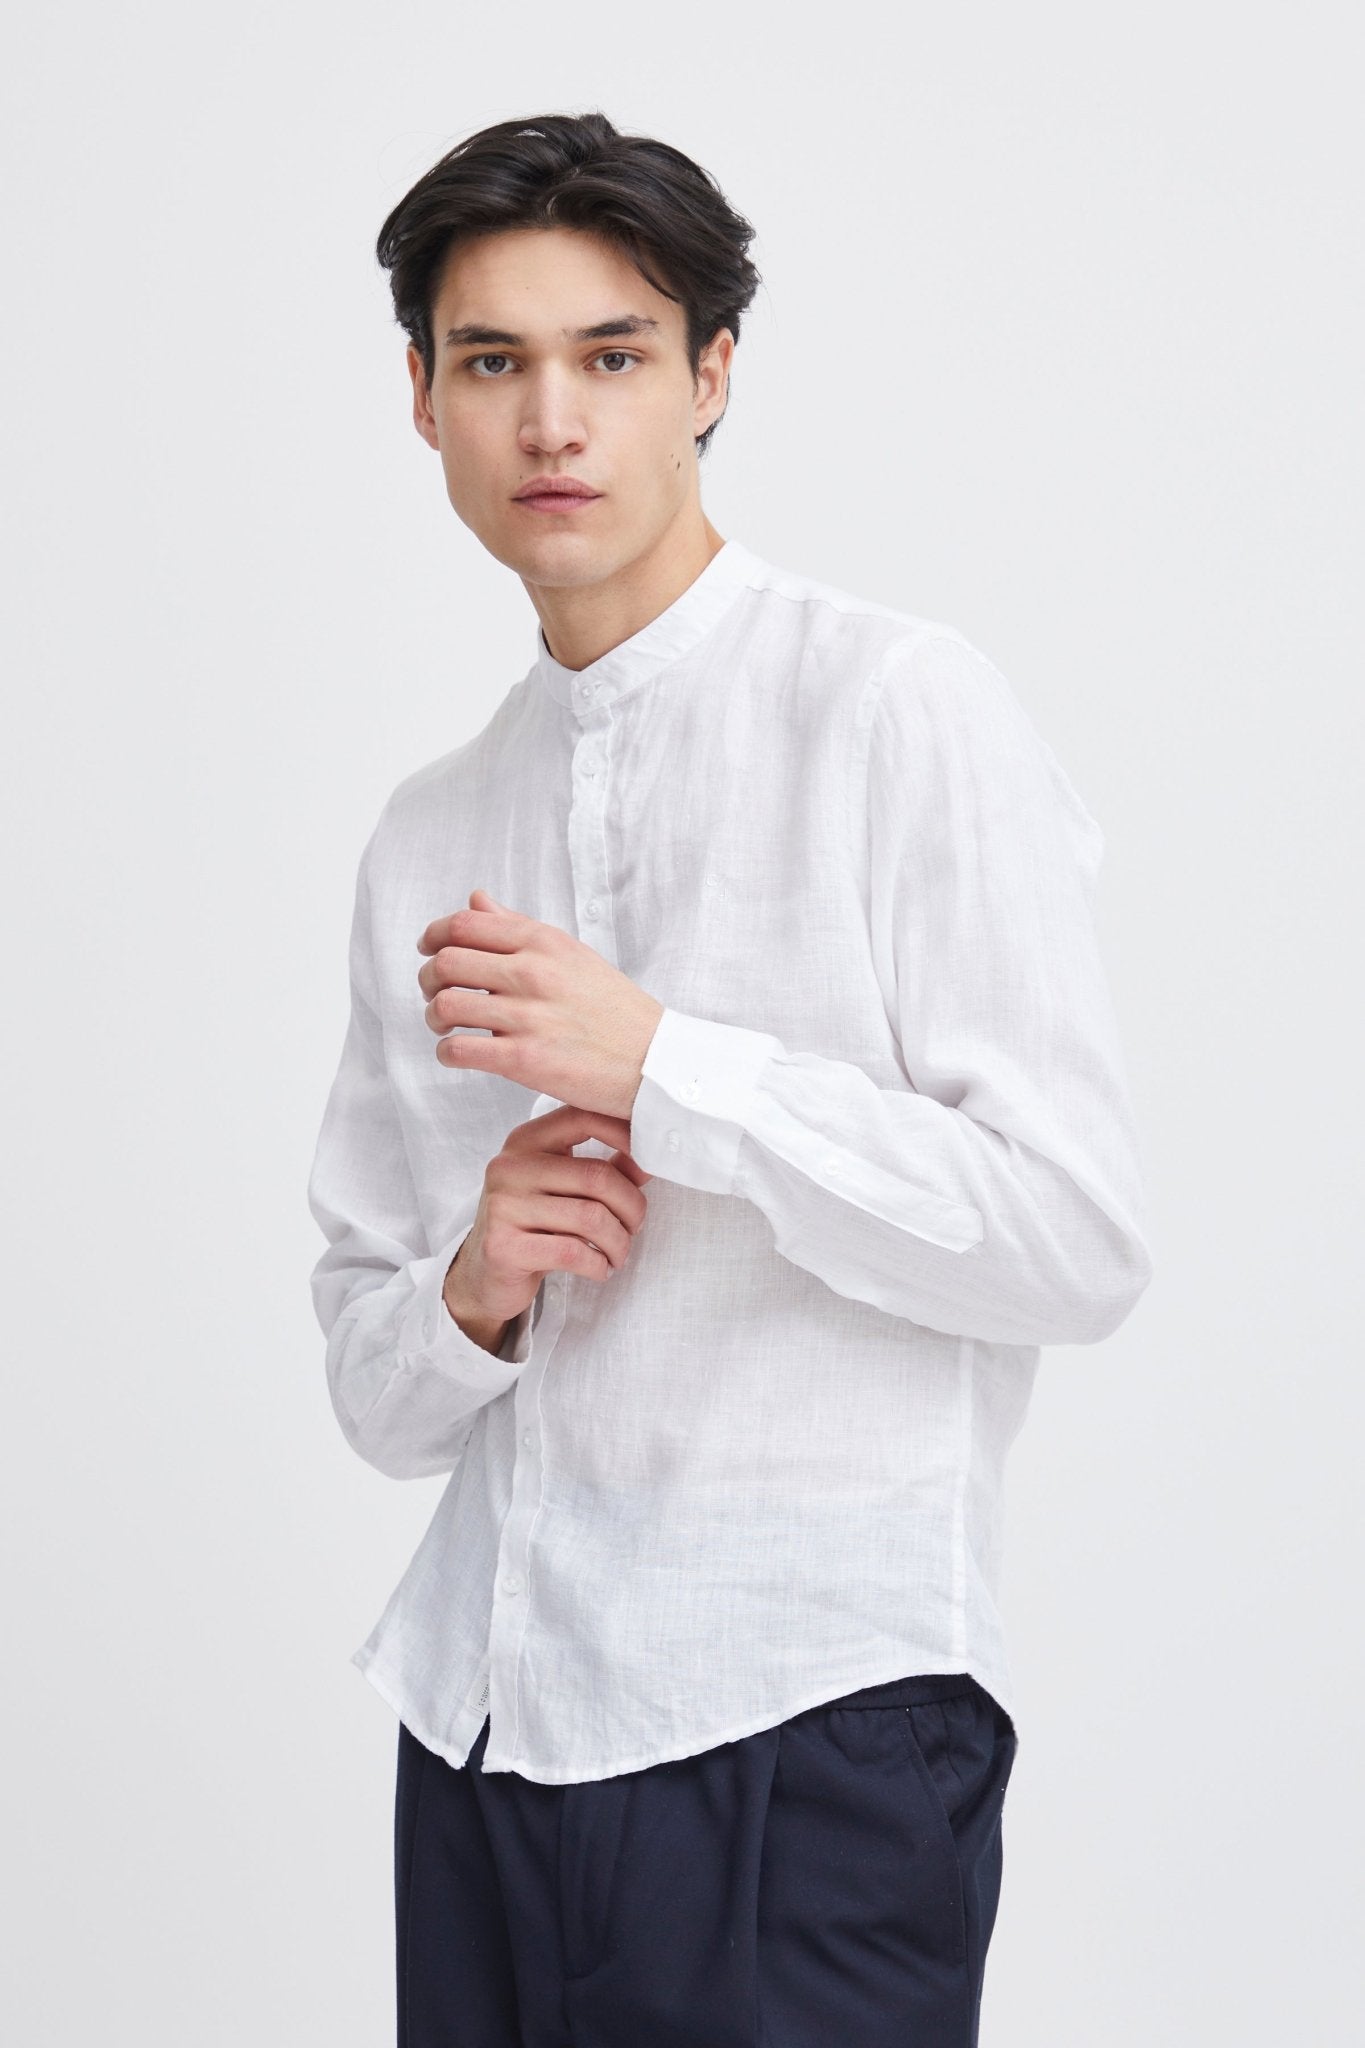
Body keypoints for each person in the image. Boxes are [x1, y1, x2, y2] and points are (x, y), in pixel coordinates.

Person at [307, 108, 1153, 2048]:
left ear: (709, 375)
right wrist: (473, 1283)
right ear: (422, 401)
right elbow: (371, 1388)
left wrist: (670, 1068)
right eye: (491, 362)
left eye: (609, 355)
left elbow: (1074, 1238)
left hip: (804, 1720)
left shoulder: (893, 709)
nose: (551, 422)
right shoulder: (429, 826)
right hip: (484, 1723)